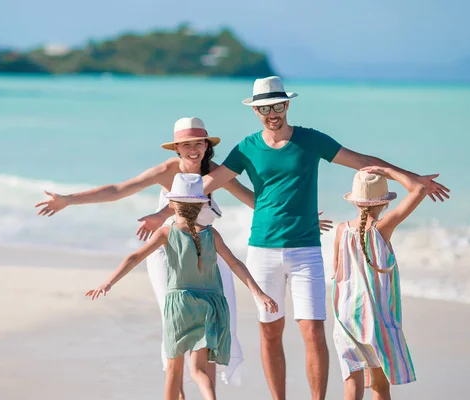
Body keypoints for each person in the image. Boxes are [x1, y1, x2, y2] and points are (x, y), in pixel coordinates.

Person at [138, 76, 450, 400]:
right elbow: (198, 190)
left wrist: (411, 177)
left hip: (306, 251)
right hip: (262, 251)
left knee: (313, 331)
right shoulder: (246, 148)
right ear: (256, 110)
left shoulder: (311, 140)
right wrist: (161, 217)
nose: (272, 113)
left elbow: (363, 161)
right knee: (270, 332)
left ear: (287, 105)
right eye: (264, 108)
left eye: (277, 106)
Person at [86, 173, 278, 400]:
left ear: (172, 204)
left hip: (180, 306)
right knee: (198, 370)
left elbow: (134, 257)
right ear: (201, 205)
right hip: (211, 306)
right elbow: (235, 264)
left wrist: (108, 283)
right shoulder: (211, 233)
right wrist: (259, 294)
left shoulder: (166, 233)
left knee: (174, 370)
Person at [332, 168, 427, 400]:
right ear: (383, 203)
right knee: (380, 385)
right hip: (373, 317)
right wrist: (387, 171)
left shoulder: (342, 230)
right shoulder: (382, 228)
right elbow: (420, 189)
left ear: (355, 201)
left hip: (344, 315)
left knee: (351, 383)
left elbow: (336, 271)